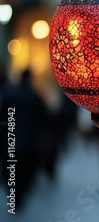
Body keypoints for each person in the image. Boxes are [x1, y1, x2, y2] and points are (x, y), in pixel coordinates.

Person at [0, 69, 51, 209]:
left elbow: (3, 118)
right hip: (28, 141)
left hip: (10, 140)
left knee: (10, 169)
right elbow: (43, 118)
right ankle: (19, 195)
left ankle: (13, 194)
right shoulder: (34, 96)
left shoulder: (10, 94)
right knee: (24, 170)